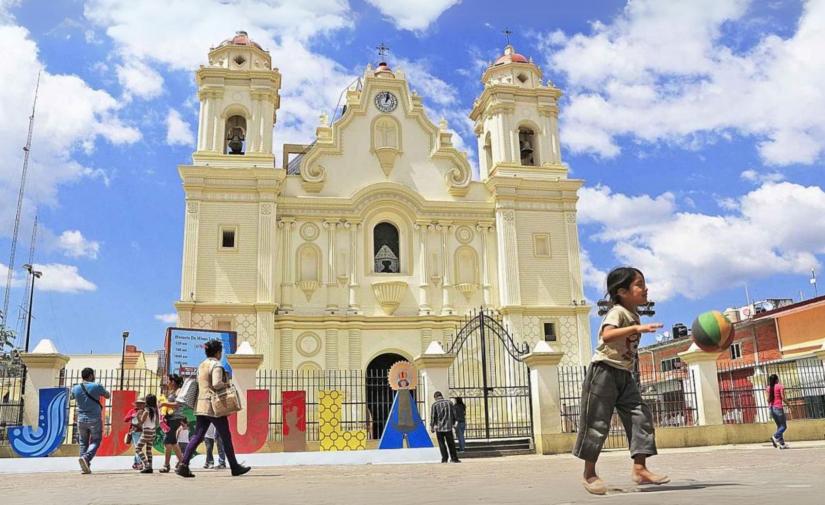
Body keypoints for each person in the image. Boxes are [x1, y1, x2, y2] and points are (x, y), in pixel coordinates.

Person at [572, 267, 669, 495]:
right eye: (640, 284)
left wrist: (635, 326)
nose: (645, 289)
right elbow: (606, 335)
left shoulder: (633, 314)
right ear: (623, 291)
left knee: (641, 416)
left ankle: (640, 468)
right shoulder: (617, 312)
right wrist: (635, 328)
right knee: (597, 423)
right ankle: (589, 473)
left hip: (624, 375)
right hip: (603, 372)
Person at [176, 339, 250, 478]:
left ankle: (183, 465)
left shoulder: (201, 365)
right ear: (218, 352)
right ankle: (234, 467)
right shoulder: (216, 365)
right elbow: (216, 384)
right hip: (214, 407)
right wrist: (226, 384)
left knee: (198, 436)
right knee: (226, 437)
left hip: (201, 405)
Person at [71, 367, 111, 474]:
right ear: (90, 376)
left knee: (83, 443)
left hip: (81, 419)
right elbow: (107, 395)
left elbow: (70, 396)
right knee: (96, 441)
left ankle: (84, 466)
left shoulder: (76, 388)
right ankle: (86, 458)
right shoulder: (96, 386)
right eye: (93, 375)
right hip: (94, 419)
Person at [159, 374, 186, 473]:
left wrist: (164, 404)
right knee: (173, 443)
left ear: (173, 382)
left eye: (169, 381)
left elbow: (178, 405)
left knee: (167, 442)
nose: (167, 383)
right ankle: (183, 463)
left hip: (175, 418)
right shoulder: (173, 392)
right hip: (171, 418)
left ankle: (166, 465)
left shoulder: (179, 391)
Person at [429, 391, 460, 463]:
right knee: (451, 443)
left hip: (439, 428)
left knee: (441, 444)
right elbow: (454, 413)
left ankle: (444, 458)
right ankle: (454, 458)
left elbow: (433, 416)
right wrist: (455, 422)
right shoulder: (449, 403)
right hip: (448, 427)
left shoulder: (435, 404)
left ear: (435, 397)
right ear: (441, 395)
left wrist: (432, 426)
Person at [135, 394, 159, 474]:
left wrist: (138, 416)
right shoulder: (155, 411)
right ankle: (150, 467)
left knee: (138, 448)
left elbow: (140, 423)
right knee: (149, 450)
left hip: (146, 432)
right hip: (153, 432)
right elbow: (156, 423)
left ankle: (147, 465)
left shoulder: (146, 411)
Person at [123, 397, 146, 470]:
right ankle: (139, 463)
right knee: (138, 448)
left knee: (138, 448)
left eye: (141, 403)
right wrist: (133, 415)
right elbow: (125, 419)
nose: (139, 405)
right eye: (138, 403)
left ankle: (136, 463)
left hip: (144, 431)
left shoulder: (146, 411)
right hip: (135, 431)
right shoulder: (132, 411)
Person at [766, 374, 788, 449]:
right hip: (778, 408)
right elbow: (783, 397)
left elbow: (768, 400)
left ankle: (782, 444)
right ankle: (775, 437)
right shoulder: (780, 386)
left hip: (771, 408)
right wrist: (789, 404)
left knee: (779, 426)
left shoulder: (768, 388)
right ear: (776, 380)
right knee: (784, 426)